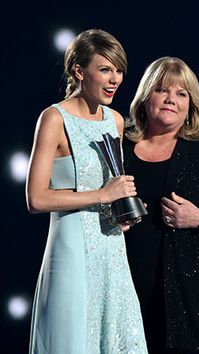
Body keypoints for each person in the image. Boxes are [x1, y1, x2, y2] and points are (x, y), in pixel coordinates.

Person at [26, 28, 148, 354]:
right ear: (79, 71)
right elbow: (36, 198)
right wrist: (103, 195)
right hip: (70, 250)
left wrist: (120, 212)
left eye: (119, 70)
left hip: (112, 248)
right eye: (105, 69)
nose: (115, 79)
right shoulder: (54, 118)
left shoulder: (116, 121)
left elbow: (110, 187)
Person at [123, 56, 199, 354]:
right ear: (146, 96)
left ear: (191, 105)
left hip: (191, 302)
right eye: (162, 90)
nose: (171, 99)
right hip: (125, 294)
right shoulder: (119, 147)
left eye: (181, 93)